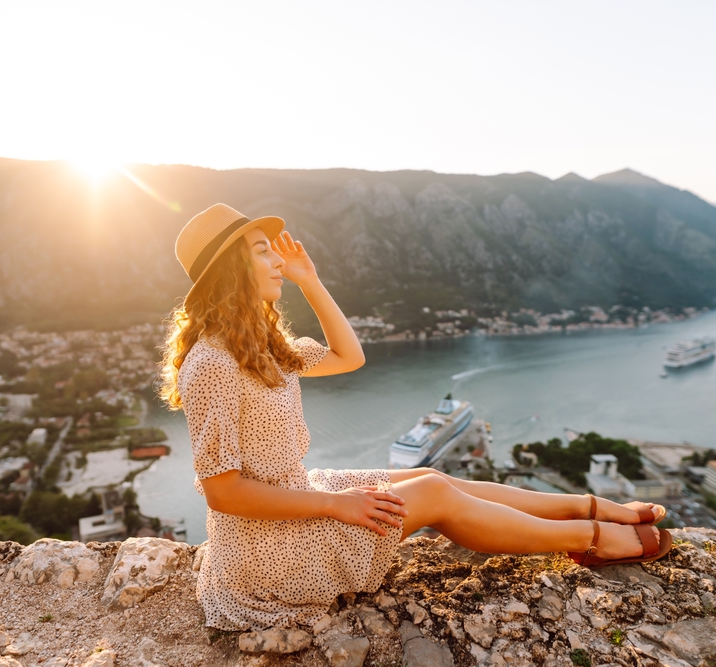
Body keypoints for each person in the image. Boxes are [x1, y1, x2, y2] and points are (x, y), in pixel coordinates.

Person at [159, 203, 672, 631]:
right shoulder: (211, 364)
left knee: (433, 476)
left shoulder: (261, 347)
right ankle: (590, 541)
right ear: (230, 269)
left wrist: (311, 282)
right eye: (262, 250)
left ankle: (587, 507)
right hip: (264, 552)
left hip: (295, 499)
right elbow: (224, 492)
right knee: (436, 495)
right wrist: (335, 506)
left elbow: (348, 356)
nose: (279, 260)